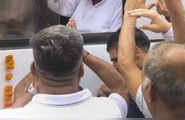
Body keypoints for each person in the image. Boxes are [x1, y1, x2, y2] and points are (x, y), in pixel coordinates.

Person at [0, 25, 128, 119]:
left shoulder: (10, 116)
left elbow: (19, 97)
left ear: (34, 70)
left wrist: (44, 60)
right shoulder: (110, 110)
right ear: (81, 70)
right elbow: (120, 87)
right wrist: (81, 53)